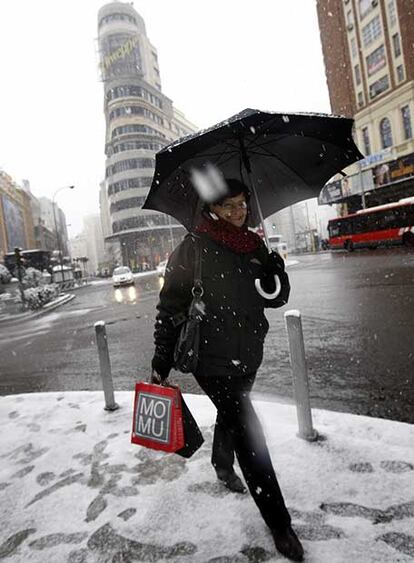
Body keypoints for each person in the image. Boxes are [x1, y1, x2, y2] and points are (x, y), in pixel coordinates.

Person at [151, 178, 304, 562]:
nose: (239, 213)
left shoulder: (255, 246)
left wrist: (275, 269)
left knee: (233, 414)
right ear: (211, 210)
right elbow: (169, 309)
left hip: (249, 353)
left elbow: (276, 299)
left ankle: (221, 463)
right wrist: (161, 362)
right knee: (249, 431)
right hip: (210, 358)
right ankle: (279, 523)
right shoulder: (193, 248)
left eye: (242, 205)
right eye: (228, 207)